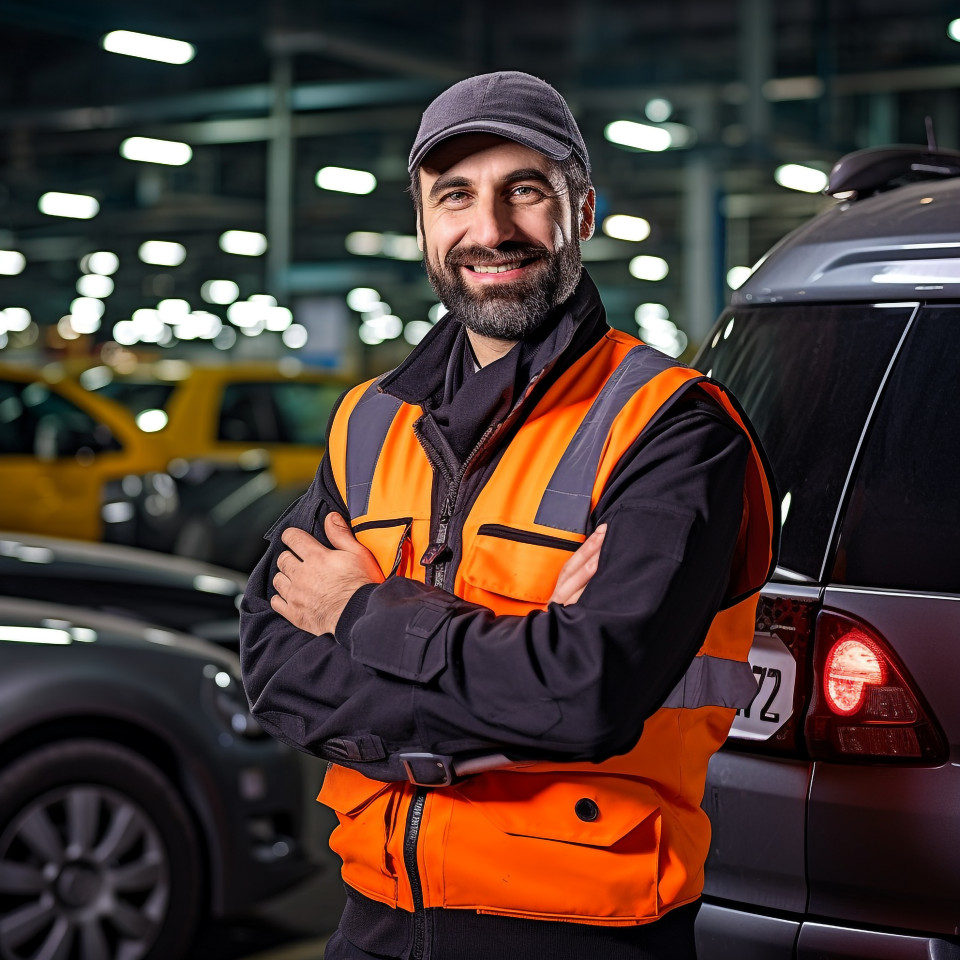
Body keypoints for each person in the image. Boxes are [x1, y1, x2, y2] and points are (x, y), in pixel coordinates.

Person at [240, 70, 778, 960]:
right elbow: (271, 662)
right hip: (375, 920)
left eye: (524, 189)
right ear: (422, 223)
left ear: (583, 210)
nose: (489, 231)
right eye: (455, 196)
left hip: (584, 929)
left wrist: (361, 613)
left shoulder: (671, 429)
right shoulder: (370, 422)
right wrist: (511, 678)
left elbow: (589, 693)